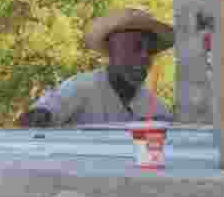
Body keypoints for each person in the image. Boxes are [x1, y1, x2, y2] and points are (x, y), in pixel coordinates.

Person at [17, 8, 174, 127]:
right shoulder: (81, 88)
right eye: (135, 48)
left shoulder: (156, 108)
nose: (145, 57)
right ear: (112, 52)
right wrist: (42, 115)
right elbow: (49, 108)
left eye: (150, 51)